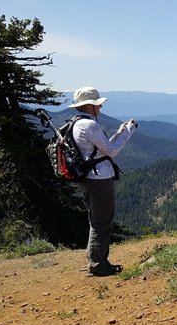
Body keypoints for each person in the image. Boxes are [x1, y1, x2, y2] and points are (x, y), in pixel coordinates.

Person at [68, 86, 137, 277]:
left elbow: (102, 149)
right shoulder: (90, 125)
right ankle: (98, 264)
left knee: (96, 219)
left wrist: (119, 132)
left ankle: (98, 260)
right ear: (90, 106)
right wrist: (129, 131)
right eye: (97, 105)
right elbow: (112, 151)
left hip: (87, 178)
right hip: (99, 178)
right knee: (102, 221)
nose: (100, 108)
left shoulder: (76, 124)